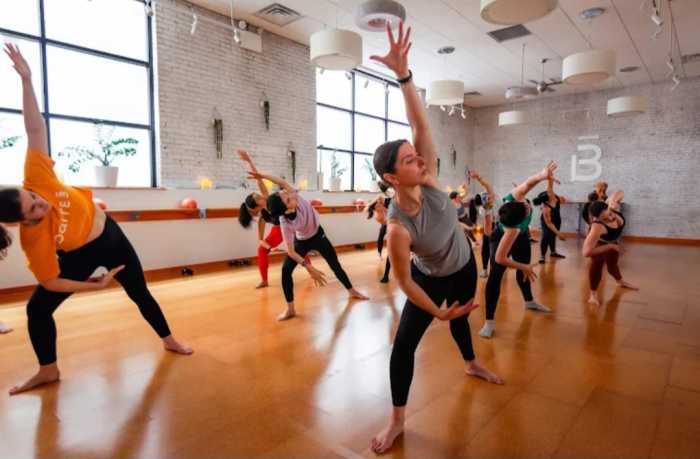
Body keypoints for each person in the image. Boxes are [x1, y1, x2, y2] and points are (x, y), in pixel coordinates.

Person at [0, 43, 192, 396]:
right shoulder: (32, 242)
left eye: (34, 197)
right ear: (19, 223)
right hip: (78, 256)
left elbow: (35, 130)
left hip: (111, 238)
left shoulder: (36, 175)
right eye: (34, 210)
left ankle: (169, 339)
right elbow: (52, 281)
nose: (42, 203)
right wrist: (94, 287)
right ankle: (48, 370)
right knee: (37, 309)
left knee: (139, 292)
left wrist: (26, 80)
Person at [368, 22, 502, 454]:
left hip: (465, 267)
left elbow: (418, 122)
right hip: (429, 279)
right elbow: (405, 282)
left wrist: (403, 76)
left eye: (416, 155)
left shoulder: (427, 179)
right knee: (403, 347)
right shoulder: (397, 228)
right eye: (409, 160)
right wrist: (435, 313)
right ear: (392, 177)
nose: (420, 160)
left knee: (462, 318)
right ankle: (397, 421)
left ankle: (471, 363)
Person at [248, 168, 368, 321]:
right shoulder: (285, 224)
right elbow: (291, 252)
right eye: (286, 199)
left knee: (335, 264)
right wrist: (309, 267)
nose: (289, 194)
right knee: (285, 270)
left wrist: (262, 176)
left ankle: (352, 291)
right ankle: (290, 309)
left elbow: (282, 182)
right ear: (286, 209)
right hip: (301, 241)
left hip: (318, 235)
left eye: (285, 193)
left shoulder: (293, 195)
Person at [479, 163, 557, 339]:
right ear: (520, 219)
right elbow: (500, 258)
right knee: (495, 277)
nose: (529, 208)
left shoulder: (515, 196)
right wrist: (523, 266)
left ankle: (529, 302)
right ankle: (489, 322)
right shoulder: (511, 229)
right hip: (500, 238)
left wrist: (543, 175)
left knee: (524, 272)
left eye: (526, 206)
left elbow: (529, 183)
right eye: (527, 211)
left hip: (521, 237)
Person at [236, 150, 310, 288]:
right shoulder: (262, 216)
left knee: (298, 248)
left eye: (258, 194)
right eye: (257, 198)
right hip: (279, 228)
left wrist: (249, 160)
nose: (260, 195)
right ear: (257, 207)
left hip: (292, 224)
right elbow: (261, 237)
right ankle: (264, 280)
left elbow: (258, 179)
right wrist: (266, 244)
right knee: (261, 250)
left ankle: (310, 270)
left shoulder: (268, 197)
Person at [582, 191, 638, 305]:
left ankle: (620, 282)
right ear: (598, 218)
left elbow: (620, 192)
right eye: (604, 218)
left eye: (608, 213)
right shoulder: (597, 227)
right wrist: (610, 246)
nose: (609, 217)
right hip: (600, 244)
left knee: (612, 264)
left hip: (613, 242)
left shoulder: (612, 207)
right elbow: (586, 252)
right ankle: (593, 294)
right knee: (597, 265)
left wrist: (613, 199)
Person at [533, 177, 567, 263]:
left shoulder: (552, 196)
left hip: (557, 219)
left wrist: (552, 178)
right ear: (547, 200)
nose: (553, 195)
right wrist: (559, 233)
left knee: (553, 235)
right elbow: (549, 223)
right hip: (547, 222)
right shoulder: (546, 209)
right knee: (546, 236)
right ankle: (542, 256)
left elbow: (549, 184)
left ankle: (553, 252)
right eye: (551, 195)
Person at [367, 194, 392, 283]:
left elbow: (380, 196)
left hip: (394, 223)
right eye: (377, 206)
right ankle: (386, 275)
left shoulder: (387, 203)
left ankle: (386, 276)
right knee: (382, 239)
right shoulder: (378, 216)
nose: (379, 206)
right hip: (390, 224)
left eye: (379, 204)